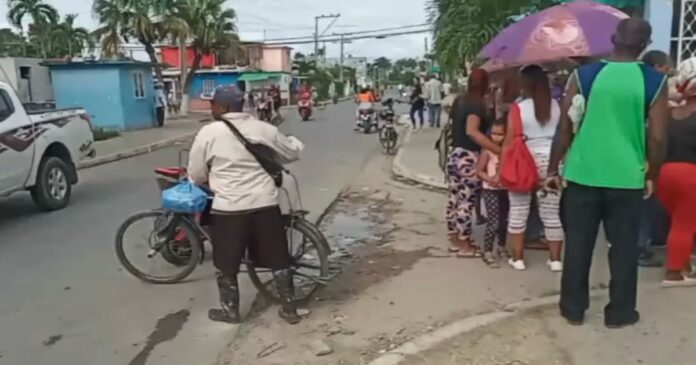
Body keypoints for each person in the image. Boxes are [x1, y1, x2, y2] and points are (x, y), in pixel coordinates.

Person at [548, 18, 669, 327]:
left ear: (614, 39)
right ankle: (620, 313)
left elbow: (565, 127)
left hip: (582, 174)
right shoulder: (654, 82)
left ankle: (573, 309)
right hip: (627, 177)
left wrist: (552, 168)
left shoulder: (584, 75)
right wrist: (651, 173)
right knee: (624, 249)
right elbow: (657, 137)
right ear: (644, 46)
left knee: (578, 244)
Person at [187, 85, 306, 325]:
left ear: (223, 107)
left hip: (229, 208)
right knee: (278, 258)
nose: (211, 109)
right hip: (265, 204)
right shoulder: (264, 129)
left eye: (213, 105)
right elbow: (293, 152)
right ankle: (289, 308)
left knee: (226, 262)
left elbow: (197, 174)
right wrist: (289, 142)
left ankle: (230, 311)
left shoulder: (209, 133)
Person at [501, 64, 564, 272]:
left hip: (525, 162)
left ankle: (517, 259)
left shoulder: (518, 108)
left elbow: (510, 140)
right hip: (553, 161)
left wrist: (501, 168)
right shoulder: (556, 106)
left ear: (524, 84)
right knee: (552, 213)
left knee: (518, 210)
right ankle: (555, 260)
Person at [447, 68, 500, 257]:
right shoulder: (476, 106)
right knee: (466, 201)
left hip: (454, 154)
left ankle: (454, 238)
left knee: (454, 198)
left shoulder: (460, 101)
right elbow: (472, 131)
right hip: (469, 156)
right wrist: (496, 149)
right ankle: (464, 244)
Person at [657, 57, 696, 287]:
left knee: (680, 220)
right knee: (685, 223)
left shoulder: (672, 113)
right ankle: (674, 273)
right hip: (690, 175)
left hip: (665, 173)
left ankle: (683, 264)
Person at [638, 50, 675, 268]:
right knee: (645, 204)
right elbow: (657, 134)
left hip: (633, 153)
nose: (668, 72)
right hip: (646, 156)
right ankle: (640, 249)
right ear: (656, 66)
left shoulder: (635, 84)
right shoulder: (654, 88)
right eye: (665, 67)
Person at [476, 116, 509, 268]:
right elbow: (479, 171)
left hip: (505, 189)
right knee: (493, 221)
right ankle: (487, 251)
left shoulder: (508, 150)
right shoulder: (488, 150)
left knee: (504, 221)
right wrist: (489, 179)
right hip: (490, 189)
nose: (496, 137)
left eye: (500, 134)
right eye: (493, 133)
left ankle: (501, 246)